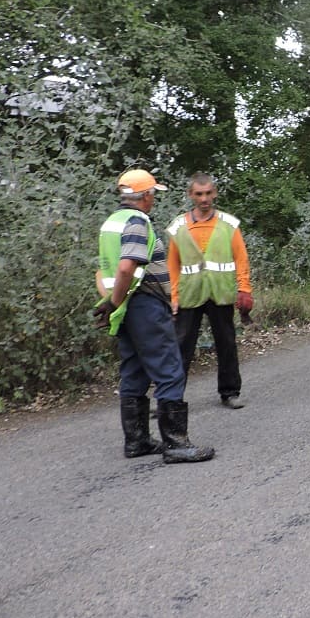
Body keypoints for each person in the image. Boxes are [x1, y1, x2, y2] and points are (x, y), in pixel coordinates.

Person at [93, 169, 215, 463]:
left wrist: (109, 302)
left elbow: (101, 270)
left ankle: (137, 441)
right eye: (153, 194)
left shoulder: (111, 222)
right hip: (143, 304)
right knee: (169, 368)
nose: (154, 200)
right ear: (145, 195)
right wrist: (116, 300)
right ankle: (176, 444)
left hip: (124, 308)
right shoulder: (137, 221)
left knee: (134, 370)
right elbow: (125, 268)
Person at [166, 173, 253, 409]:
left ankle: (230, 392)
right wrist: (174, 296)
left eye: (208, 193)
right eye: (199, 194)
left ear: (214, 193)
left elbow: (241, 259)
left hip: (220, 292)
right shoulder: (179, 226)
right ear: (190, 195)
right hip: (189, 294)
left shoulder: (228, 224)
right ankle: (171, 398)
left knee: (226, 343)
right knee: (180, 346)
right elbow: (172, 265)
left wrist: (244, 289)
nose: (204, 199)